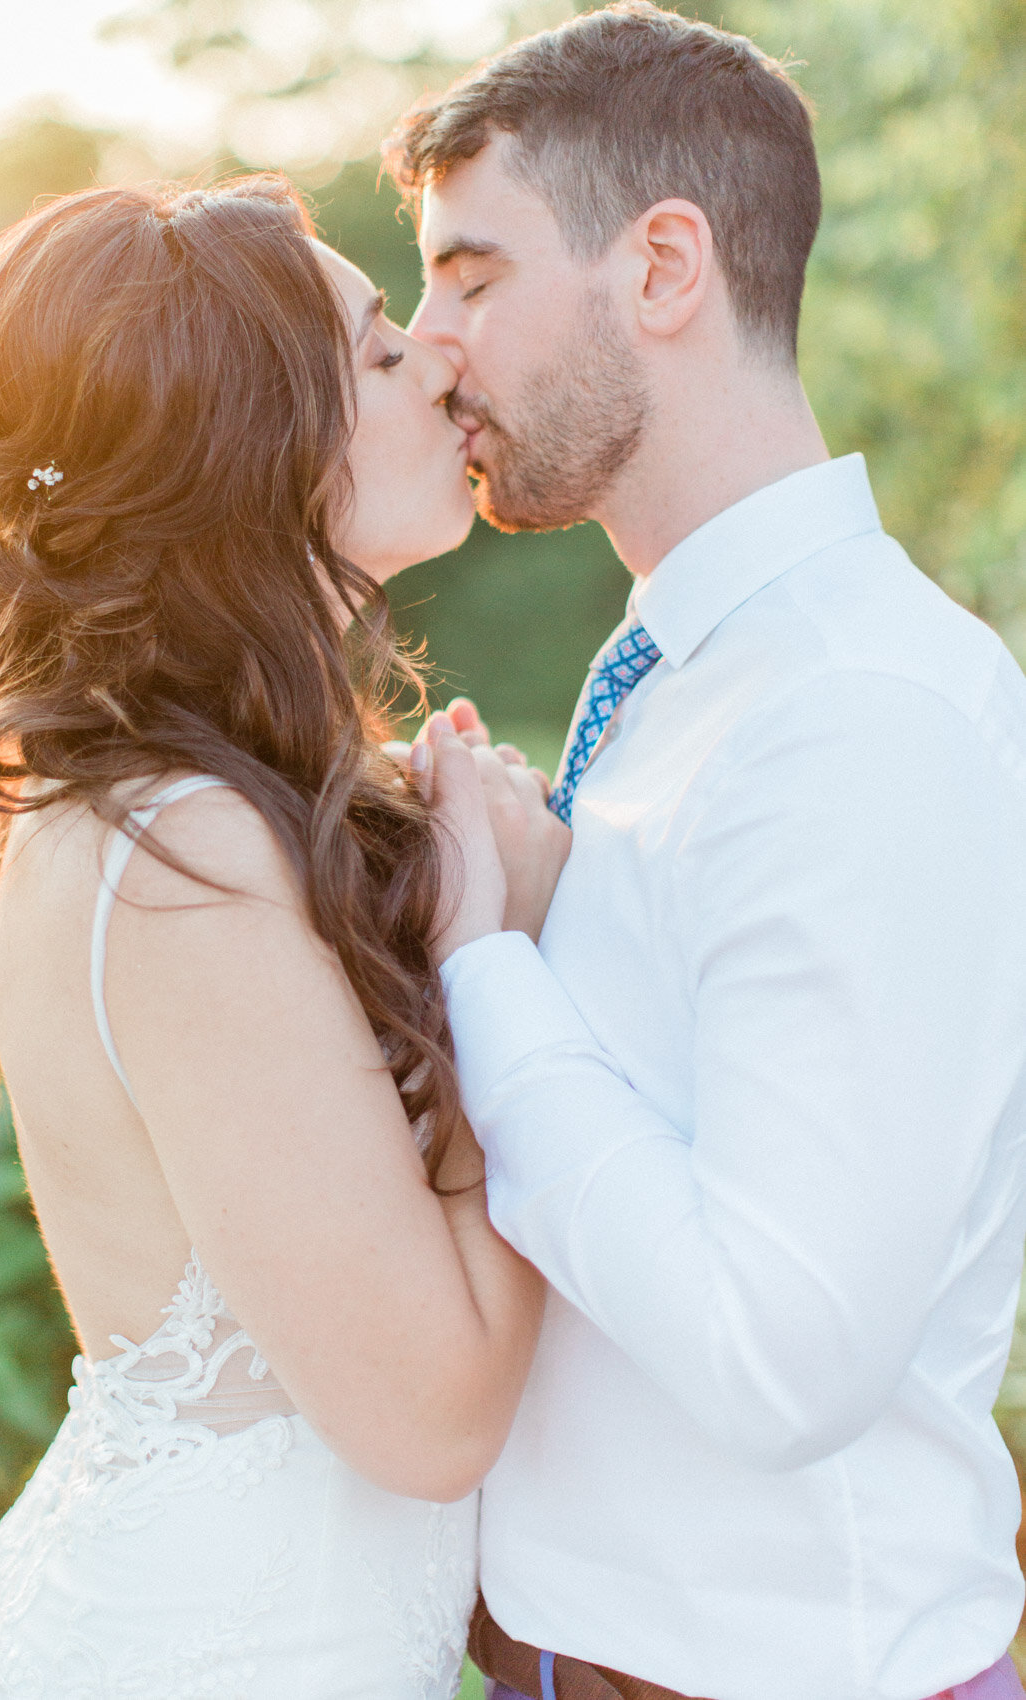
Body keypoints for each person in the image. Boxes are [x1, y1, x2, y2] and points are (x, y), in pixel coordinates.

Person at [386, 5, 1026, 1698]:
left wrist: (483, 963)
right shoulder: (678, 668)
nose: (433, 343)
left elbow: (781, 1356)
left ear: (664, 266)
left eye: (471, 272)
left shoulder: (866, 707)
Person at [0, 176, 554, 1700]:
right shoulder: (171, 851)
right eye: (386, 350)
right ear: (259, 450)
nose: (443, 363)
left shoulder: (193, 807)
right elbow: (436, 1415)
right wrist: (501, 961)